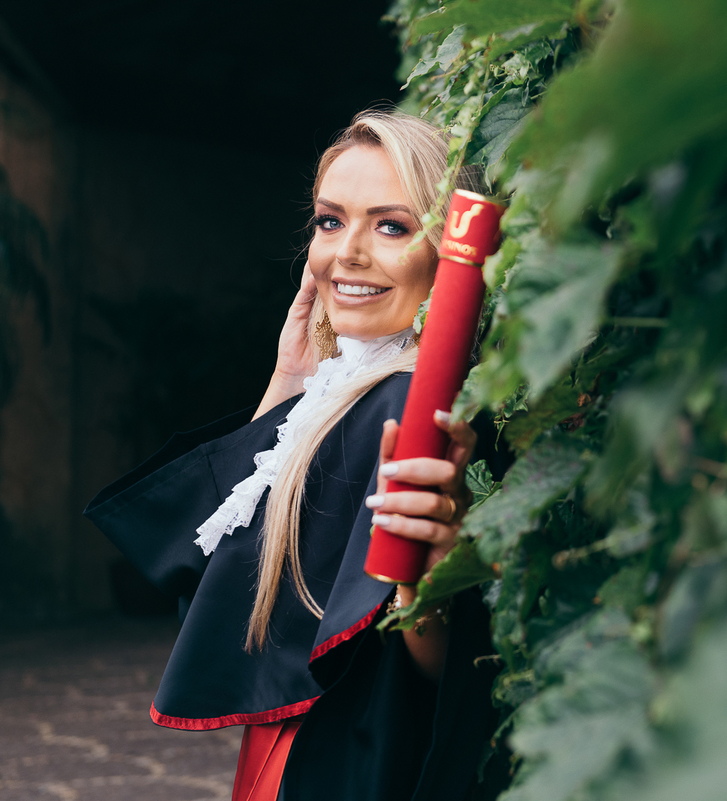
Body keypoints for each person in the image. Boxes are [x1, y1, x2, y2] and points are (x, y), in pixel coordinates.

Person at [84, 110, 501, 801]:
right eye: (330, 220)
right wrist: (288, 384)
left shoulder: (403, 409)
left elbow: (429, 668)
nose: (346, 254)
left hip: (342, 758)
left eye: (392, 225)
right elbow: (234, 584)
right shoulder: (351, 392)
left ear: (449, 252)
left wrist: (430, 584)